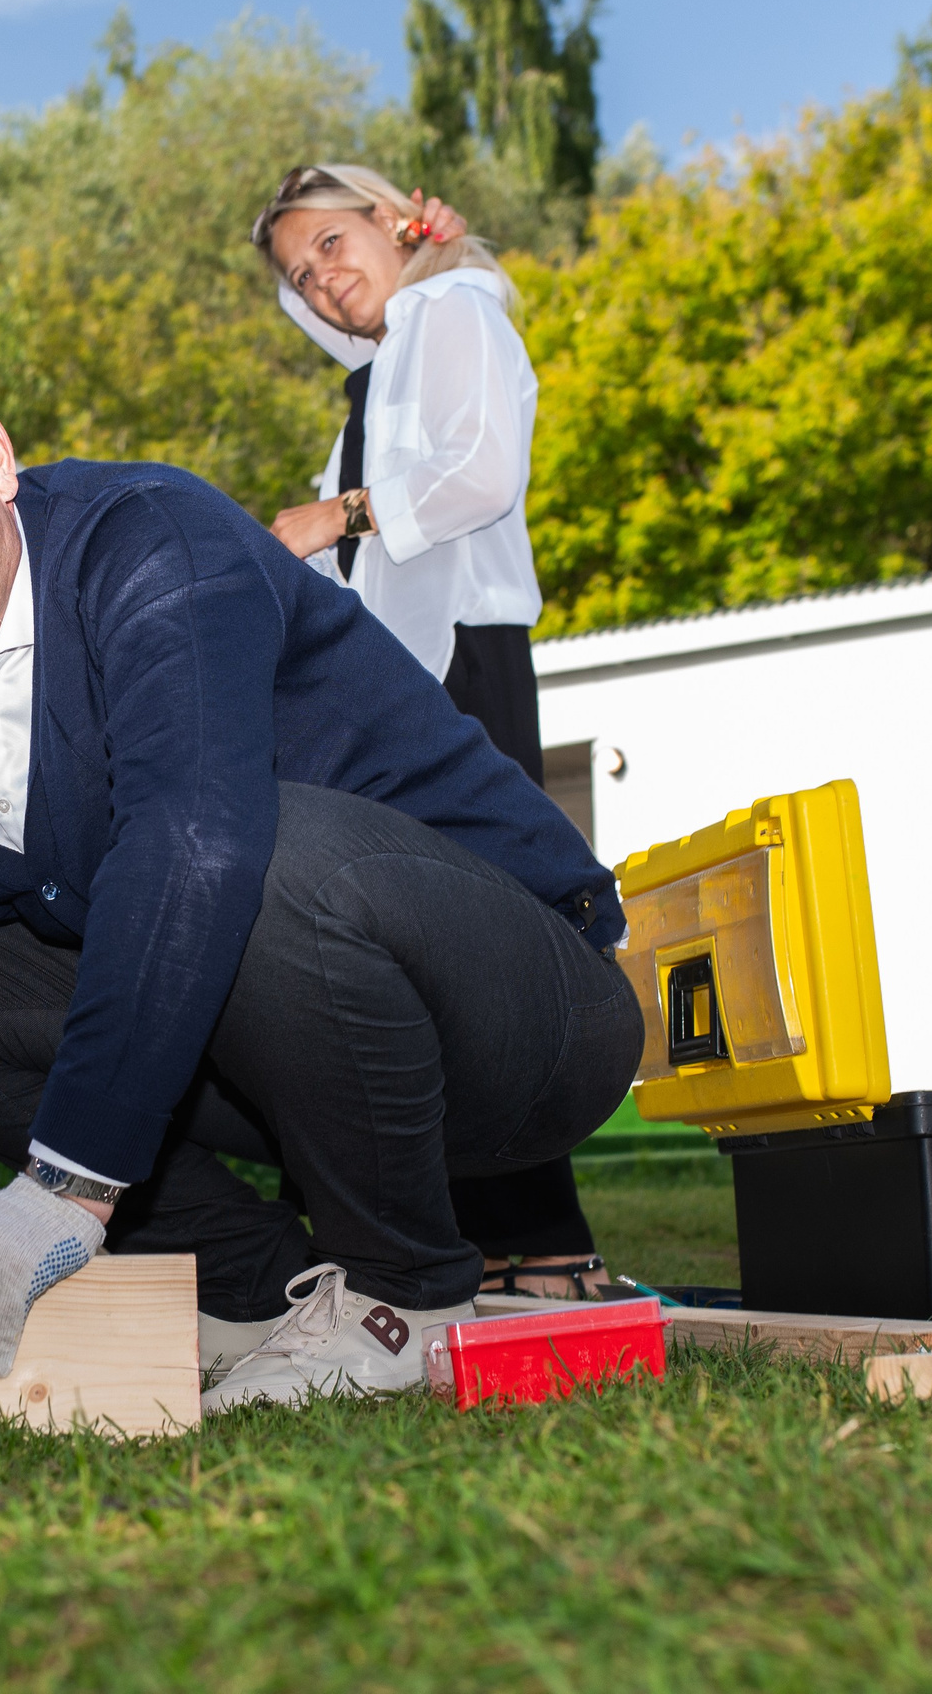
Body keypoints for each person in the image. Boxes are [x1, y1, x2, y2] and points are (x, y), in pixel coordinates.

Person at [0, 335, 642, 1411]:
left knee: (254, 859)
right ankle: (256, 1293)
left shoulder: (151, 542)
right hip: (279, 1072)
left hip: (523, 1020)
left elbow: (194, 842)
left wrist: (62, 1191)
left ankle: (403, 1294)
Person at [253, 164, 609, 1305]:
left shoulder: (453, 313)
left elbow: (481, 475)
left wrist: (332, 516)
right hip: (403, 681)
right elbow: (331, 309)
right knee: (420, 950)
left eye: (331, 245)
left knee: (496, 936)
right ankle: (471, 1234)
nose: (320, 278)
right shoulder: (375, 371)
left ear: (388, 218)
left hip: (467, 659)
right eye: (300, 272)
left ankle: (546, 1238)